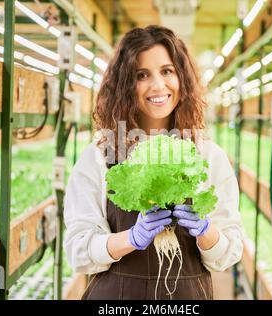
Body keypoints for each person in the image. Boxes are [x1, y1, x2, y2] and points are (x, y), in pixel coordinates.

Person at [63, 25, 243, 300]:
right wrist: (130, 239)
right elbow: (78, 252)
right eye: (141, 75)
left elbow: (226, 255)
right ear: (124, 85)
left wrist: (207, 232)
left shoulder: (208, 156)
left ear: (182, 78)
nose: (158, 85)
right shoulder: (99, 156)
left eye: (167, 71)